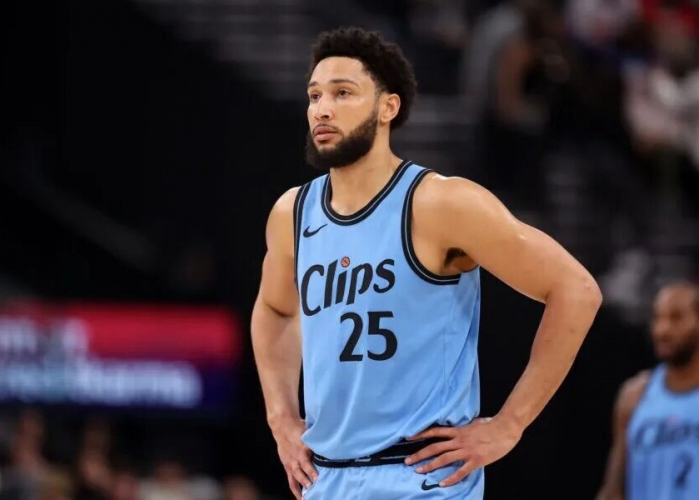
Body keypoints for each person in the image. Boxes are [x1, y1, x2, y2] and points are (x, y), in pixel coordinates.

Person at [251, 26, 602, 499]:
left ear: (388, 108)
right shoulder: (292, 213)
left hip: (420, 477)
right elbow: (275, 309)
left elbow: (576, 290)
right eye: (314, 95)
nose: (322, 109)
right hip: (327, 478)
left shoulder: (441, 203)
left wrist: (509, 425)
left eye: (342, 93)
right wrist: (281, 416)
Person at [596, 282, 699, 500]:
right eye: (657, 318)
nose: (662, 330)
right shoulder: (635, 395)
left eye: (676, 318)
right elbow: (614, 488)